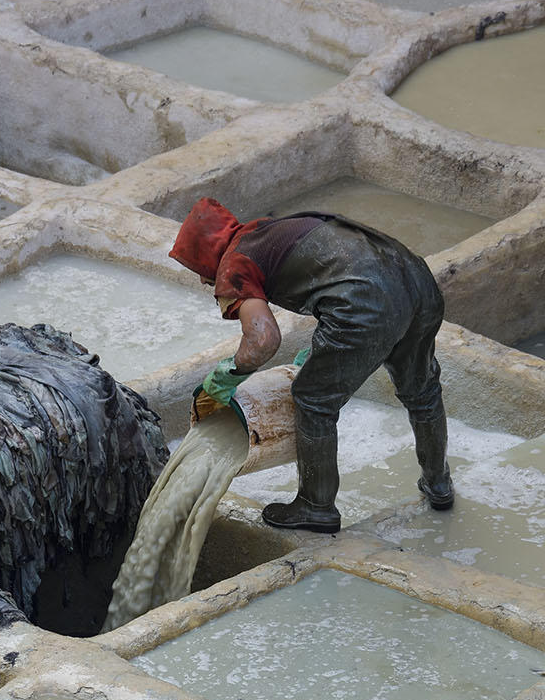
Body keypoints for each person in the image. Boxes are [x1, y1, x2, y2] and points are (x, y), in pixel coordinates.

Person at [169, 196, 453, 534]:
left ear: (206, 255)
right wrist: (320, 352)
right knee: (421, 390)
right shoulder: (263, 231)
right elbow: (336, 278)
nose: (204, 281)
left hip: (368, 299)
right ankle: (438, 483)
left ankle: (316, 506)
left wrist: (226, 376)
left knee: (313, 399)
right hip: (417, 280)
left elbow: (263, 340)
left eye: (198, 269)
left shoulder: (233, 265)